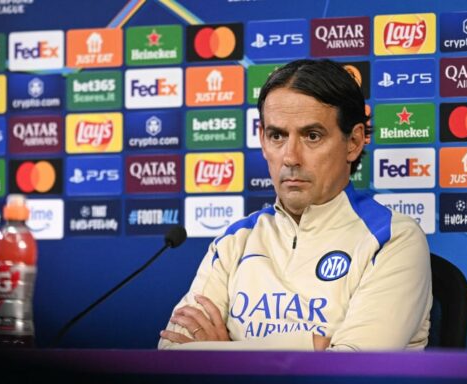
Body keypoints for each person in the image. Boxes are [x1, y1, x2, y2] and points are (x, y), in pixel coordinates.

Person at [159, 59, 432, 351]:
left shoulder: (393, 238)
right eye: (277, 136)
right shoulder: (235, 240)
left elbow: (353, 366)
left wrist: (219, 351)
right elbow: (171, 352)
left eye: (312, 136)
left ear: (353, 142)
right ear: (263, 140)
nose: (290, 157)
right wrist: (313, 347)